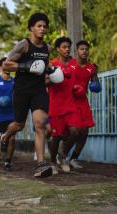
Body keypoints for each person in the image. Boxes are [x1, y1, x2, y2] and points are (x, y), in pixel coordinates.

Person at [1, 12, 63, 178]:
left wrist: (52, 70)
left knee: (40, 124)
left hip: (38, 90)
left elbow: (46, 63)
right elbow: (7, 65)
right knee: (19, 125)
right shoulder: (24, 45)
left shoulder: (47, 48)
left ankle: (41, 165)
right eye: (39, 26)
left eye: (44, 26)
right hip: (21, 90)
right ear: (31, 28)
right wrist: (26, 66)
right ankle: (5, 137)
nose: (42, 29)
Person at [62, 40, 101, 169]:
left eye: (86, 49)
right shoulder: (70, 64)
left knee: (84, 132)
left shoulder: (92, 68)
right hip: (69, 101)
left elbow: (96, 84)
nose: (84, 51)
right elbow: (61, 81)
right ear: (76, 51)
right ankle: (62, 156)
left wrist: (96, 84)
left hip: (83, 101)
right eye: (81, 49)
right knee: (74, 132)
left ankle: (73, 159)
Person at [48, 37, 82, 174]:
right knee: (56, 137)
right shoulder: (52, 64)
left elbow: (75, 81)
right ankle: (52, 162)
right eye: (64, 47)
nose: (67, 49)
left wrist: (77, 87)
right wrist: (55, 77)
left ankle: (62, 156)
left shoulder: (74, 64)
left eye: (68, 46)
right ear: (58, 49)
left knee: (76, 131)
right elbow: (45, 82)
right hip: (56, 106)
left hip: (70, 105)